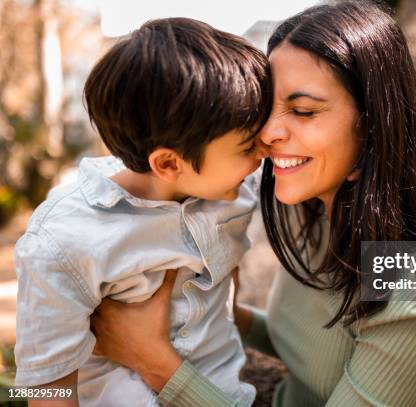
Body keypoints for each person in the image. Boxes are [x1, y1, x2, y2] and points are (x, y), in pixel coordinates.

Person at [91, 2, 416, 406]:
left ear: (373, 126)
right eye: (266, 107)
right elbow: (310, 349)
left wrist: (154, 362)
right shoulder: (305, 206)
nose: (268, 133)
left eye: (303, 110)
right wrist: (224, 315)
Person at [13, 17, 270, 406]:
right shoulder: (64, 242)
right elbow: (45, 387)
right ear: (168, 164)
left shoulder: (233, 191)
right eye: (248, 146)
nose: (264, 152)